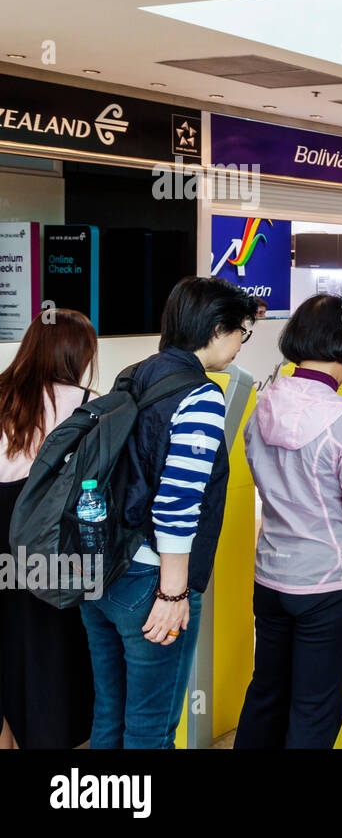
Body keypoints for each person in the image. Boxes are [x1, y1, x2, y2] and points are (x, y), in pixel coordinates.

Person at [80, 276, 257, 749]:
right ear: (218, 329)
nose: (241, 342)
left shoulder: (134, 374)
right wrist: (174, 593)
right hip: (150, 584)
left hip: (101, 571)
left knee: (109, 718)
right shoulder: (200, 397)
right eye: (242, 330)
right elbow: (178, 503)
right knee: (151, 731)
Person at [235, 295, 342, 749]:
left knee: (266, 693)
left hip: (271, 577)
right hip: (330, 584)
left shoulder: (262, 405)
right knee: (315, 708)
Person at [0, 310, 98, 749]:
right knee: (58, 643)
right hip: (52, 540)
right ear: (77, 355)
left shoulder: (2, 395)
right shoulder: (88, 405)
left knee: (10, 643)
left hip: (2, 532)